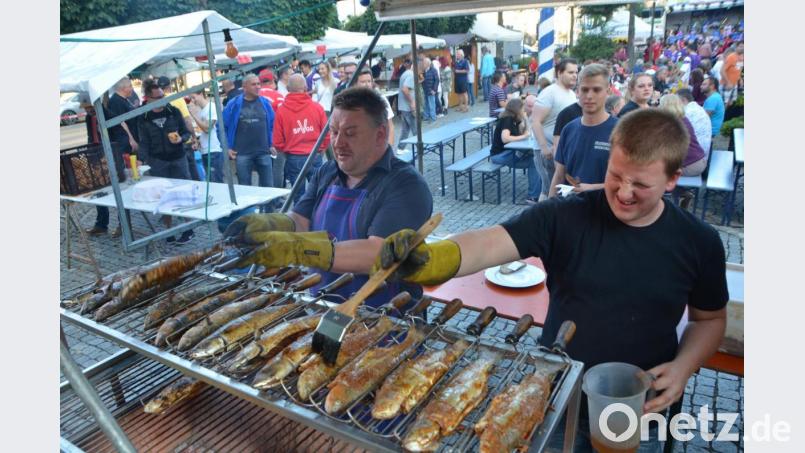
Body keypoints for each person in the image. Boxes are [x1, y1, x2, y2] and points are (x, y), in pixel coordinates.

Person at [375, 108, 728, 452]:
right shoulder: (566, 216)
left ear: (672, 179)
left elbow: (709, 320)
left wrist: (684, 367)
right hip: (554, 389)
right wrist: (432, 259)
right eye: (616, 175)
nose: (623, 192)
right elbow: (489, 242)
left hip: (641, 401)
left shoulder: (699, 242)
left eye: (641, 183)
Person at [224, 87, 433, 308]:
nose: (338, 142)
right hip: (323, 305)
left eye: (350, 133)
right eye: (334, 132)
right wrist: (270, 224)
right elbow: (300, 221)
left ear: (380, 134)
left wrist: (297, 248)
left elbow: (378, 254)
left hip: (384, 319)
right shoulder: (328, 172)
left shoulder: (406, 185)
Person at [137, 79, 195, 244]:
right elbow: (144, 142)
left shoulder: (173, 111)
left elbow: (186, 133)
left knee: (183, 193)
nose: (162, 99)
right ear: (148, 98)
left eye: (163, 95)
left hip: (178, 158)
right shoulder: (144, 117)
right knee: (163, 197)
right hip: (158, 162)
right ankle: (169, 231)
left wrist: (181, 140)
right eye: (158, 97)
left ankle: (188, 229)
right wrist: (141, 160)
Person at [549, 64, 618, 198]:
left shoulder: (621, 131)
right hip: (571, 212)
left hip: (608, 213)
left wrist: (593, 188)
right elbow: (559, 175)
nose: (589, 96)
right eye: (585, 90)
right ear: (577, 91)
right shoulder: (569, 129)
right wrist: (547, 211)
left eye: (596, 90)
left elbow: (630, 181)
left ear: (608, 91)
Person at [86, 77, 139, 238]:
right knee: (99, 191)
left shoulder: (106, 113)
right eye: (86, 108)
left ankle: (124, 224)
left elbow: (121, 132)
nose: (88, 111)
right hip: (97, 157)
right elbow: (92, 136)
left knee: (119, 191)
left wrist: (116, 152)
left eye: (89, 108)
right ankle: (101, 224)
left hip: (113, 156)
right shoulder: (90, 117)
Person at [272, 74, 329, 203]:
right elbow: (327, 132)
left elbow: (277, 141)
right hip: (314, 155)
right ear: (305, 87)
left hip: (294, 157)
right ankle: (319, 220)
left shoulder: (281, 111)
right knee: (319, 194)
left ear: (287, 88)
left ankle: (301, 222)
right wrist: (321, 148)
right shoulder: (317, 108)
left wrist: (285, 151)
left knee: (298, 197)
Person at [531, 58, 579, 200]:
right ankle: (542, 220)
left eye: (576, 72)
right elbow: (535, 121)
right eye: (570, 72)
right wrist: (544, 148)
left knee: (559, 191)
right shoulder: (549, 92)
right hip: (547, 151)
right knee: (548, 190)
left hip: (561, 151)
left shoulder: (570, 93)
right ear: (559, 73)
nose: (575, 75)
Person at [222, 73, 275, 187]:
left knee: (268, 187)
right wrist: (226, 147)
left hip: (264, 152)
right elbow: (221, 127)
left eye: (258, 84)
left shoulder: (265, 103)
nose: (258, 87)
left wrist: (272, 143)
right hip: (242, 154)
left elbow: (273, 125)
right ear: (244, 87)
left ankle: (269, 206)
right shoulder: (234, 104)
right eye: (253, 84)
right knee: (245, 188)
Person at [490, 98, 540, 204]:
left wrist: (525, 119)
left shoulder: (514, 120)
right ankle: (533, 196)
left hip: (507, 153)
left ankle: (536, 193)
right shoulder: (507, 119)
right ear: (517, 109)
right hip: (499, 155)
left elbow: (527, 131)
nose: (524, 110)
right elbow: (505, 138)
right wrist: (523, 136)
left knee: (536, 159)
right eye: (522, 108)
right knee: (534, 162)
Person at [659, 94, 706, 177]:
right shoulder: (682, 118)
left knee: (655, 171)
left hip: (691, 165)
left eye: (660, 104)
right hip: (698, 160)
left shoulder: (672, 124)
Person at [188, 90, 224, 183]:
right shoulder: (203, 111)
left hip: (213, 151)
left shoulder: (211, 108)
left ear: (200, 94)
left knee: (216, 182)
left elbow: (207, 129)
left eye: (193, 97)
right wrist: (198, 142)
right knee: (212, 182)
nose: (192, 101)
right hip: (206, 151)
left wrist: (193, 115)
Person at [356, 68, 395, 147]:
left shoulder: (380, 99)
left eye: (369, 81)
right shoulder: (352, 102)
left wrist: (389, 148)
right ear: (356, 83)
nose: (367, 84)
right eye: (363, 82)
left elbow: (390, 126)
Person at [676, 88, 712, 155]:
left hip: (697, 154)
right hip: (704, 150)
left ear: (683, 100)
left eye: (676, 101)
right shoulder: (698, 108)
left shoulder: (687, 112)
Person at [395, 60, 417, 154]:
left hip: (403, 106)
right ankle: (422, 148)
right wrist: (412, 102)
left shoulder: (405, 73)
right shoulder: (411, 75)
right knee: (415, 128)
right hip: (408, 106)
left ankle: (400, 148)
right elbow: (405, 89)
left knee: (406, 128)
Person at [720, 41, 743, 107]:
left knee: (730, 103)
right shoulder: (731, 57)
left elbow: (738, 69)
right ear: (736, 47)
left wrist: (740, 79)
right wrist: (728, 83)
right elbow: (722, 71)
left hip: (734, 84)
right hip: (726, 84)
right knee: (724, 104)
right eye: (740, 46)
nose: (742, 48)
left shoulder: (742, 57)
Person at [421, 57, 439, 122]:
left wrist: (434, 90)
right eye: (423, 63)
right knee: (426, 104)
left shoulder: (433, 70)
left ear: (428, 64)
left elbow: (437, 80)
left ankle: (433, 118)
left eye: (424, 63)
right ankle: (426, 116)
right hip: (425, 90)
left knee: (432, 105)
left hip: (431, 90)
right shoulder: (423, 71)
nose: (423, 64)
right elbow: (423, 80)